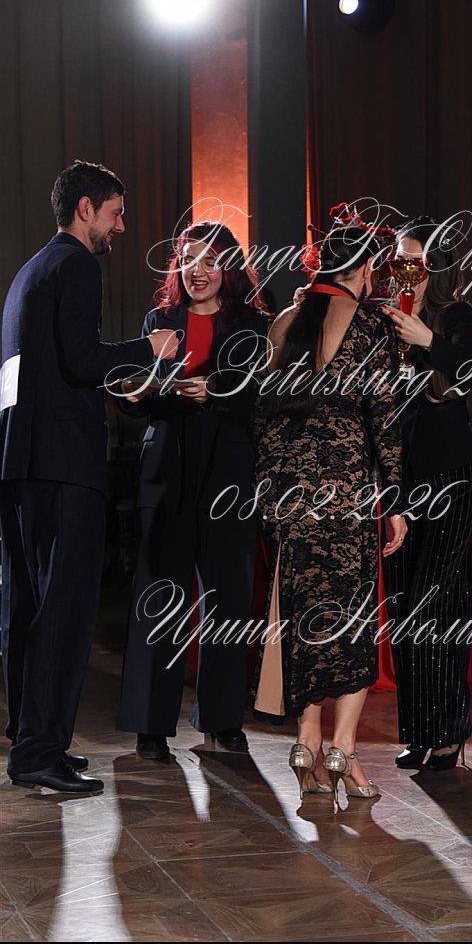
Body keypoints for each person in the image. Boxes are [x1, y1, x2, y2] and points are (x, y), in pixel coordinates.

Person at [0, 160, 178, 794]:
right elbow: (81, 360)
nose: (121, 227)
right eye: (116, 213)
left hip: (20, 463)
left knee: (25, 606)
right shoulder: (76, 265)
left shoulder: (29, 272)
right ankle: (39, 752)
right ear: (85, 209)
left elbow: (36, 372)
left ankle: (31, 738)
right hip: (64, 466)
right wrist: (146, 350)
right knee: (64, 610)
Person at [251, 225, 407, 804]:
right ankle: (343, 749)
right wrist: (395, 502)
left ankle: (306, 742)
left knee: (304, 620)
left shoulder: (285, 323)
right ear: (363, 270)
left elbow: (261, 421)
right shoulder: (369, 326)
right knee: (352, 622)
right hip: (344, 492)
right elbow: (385, 422)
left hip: (288, 496)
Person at [116, 221, 270, 760]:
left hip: (229, 472)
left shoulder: (254, 325)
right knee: (160, 595)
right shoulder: (158, 321)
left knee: (228, 597)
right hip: (168, 469)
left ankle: (223, 720)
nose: (197, 270)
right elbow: (138, 398)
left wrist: (216, 392)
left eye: (209, 259)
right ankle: (150, 725)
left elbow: (263, 400)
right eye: (187, 259)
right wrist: (136, 391)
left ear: (228, 266)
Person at [380, 214, 472, 771]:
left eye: (416, 259)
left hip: (452, 478)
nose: (405, 267)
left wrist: (426, 338)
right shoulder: (386, 319)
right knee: (404, 608)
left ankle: (449, 730)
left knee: (438, 604)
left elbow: (471, 374)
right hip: (402, 484)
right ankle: (419, 731)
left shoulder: (455, 316)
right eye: (400, 258)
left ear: (435, 266)